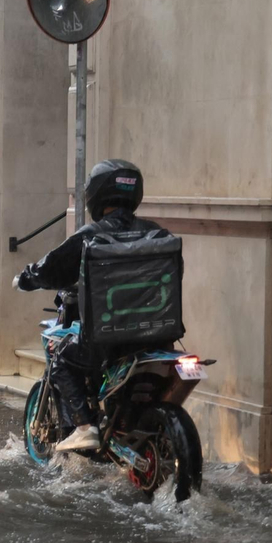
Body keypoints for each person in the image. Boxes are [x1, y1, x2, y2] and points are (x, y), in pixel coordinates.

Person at [13, 159, 164, 452]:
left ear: (95, 195)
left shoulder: (90, 236)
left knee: (62, 361)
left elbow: (50, 269)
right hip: (157, 337)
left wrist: (25, 279)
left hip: (108, 341)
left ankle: (84, 426)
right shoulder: (157, 234)